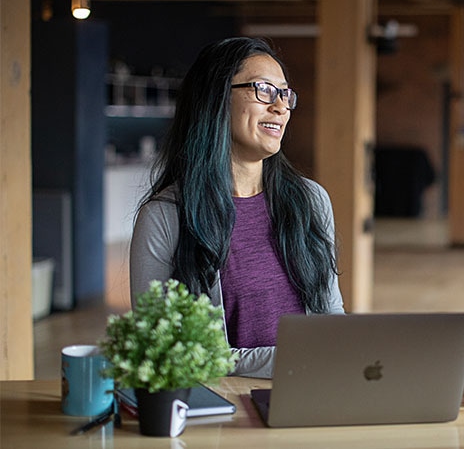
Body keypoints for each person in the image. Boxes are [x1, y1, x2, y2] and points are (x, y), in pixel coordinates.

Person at [129, 37, 345, 378]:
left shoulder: (311, 201)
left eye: (285, 94)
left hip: (312, 395)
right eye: (264, 90)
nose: (280, 107)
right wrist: (288, 361)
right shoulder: (166, 216)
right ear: (215, 99)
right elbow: (159, 350)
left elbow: (330, 314)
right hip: (223, 414)